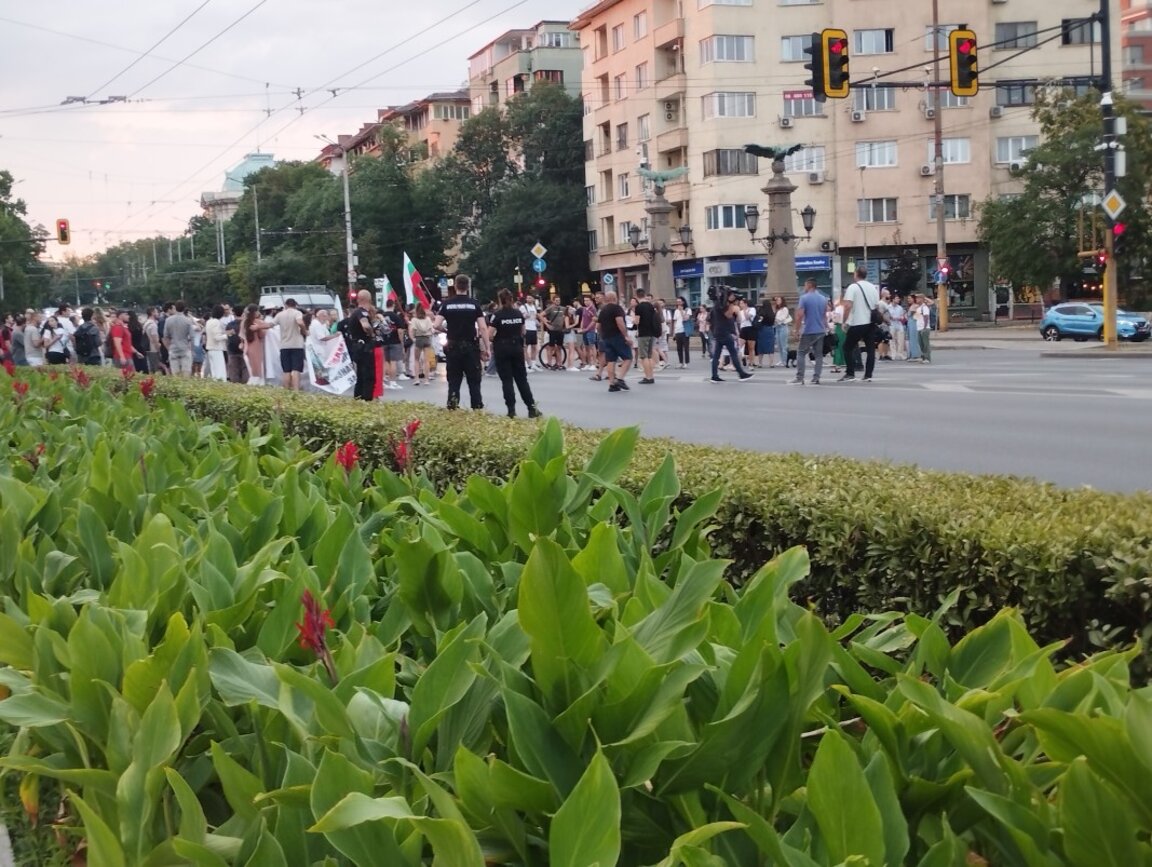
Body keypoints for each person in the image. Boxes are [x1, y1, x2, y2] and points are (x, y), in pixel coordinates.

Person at [488, 288, 540, 418]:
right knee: (522, 380)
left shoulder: (497, 314)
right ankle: (532, 409)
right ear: (511, 299)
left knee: (507, 381)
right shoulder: (518, 313)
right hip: (517, 348)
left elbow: (490, 334)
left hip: (502, 349)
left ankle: (511, 411)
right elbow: (523, 331)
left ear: (500, 300)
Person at [441, 274, 489, 410]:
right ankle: (477, 409)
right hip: (470, 347)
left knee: (454, 381)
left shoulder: (447, 304)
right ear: (467, 287)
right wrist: (487, 348)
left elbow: (436, 324)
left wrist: (446, 331)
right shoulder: (474, 304)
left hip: (453, 346)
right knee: (474, 381)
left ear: (455, 286)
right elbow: (483, 328)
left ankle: (453, 408)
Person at [839, 266, 881, 383]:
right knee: (870, 349)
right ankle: (868, 374)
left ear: (856, 274)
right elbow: (876, 306)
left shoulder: (853, 287)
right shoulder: (873, 287)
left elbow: (847, 306)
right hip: (871, 323)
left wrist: (844, 321)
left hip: (858, 322)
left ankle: (850, 373)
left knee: (847, 347)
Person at [790, 279, 829, 386]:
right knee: (818, 355)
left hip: (809, 330)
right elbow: (824, 316)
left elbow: (800, 315)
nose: (804, 287)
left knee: (801, 352)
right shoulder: (823, 299)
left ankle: (799, 377)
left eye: (805, 285)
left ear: (810, 285)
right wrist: (827, 328)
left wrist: (796, 330)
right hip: (820, 330)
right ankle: (816, 377)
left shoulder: (804, 298)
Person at [710, 289, 753, 383]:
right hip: (724, 332)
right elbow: (728, 315)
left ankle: (714, 376)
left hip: (721, 332)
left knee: (717, 355)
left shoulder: (721, 303)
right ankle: (741, 374)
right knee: (733, 353)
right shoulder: (721, 304)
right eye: (732, 295)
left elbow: (737, 320)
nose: (733, 297)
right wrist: (733, 306)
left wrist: (735, 310)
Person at [344, 290, 378, 401]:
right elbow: (365, 325)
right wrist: (372, 333)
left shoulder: (355, 312)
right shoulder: (361, 312)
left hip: (357, 346)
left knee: (361, 374)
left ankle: (358, 399)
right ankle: (367, 399)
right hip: (364, 347)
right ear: (368, 299)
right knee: (368, 375)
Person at [596, 290, 632, 392]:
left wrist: (602, 335)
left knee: (611, 360)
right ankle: (620, 379)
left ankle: (612, 384)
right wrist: (626, 336)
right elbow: (620, 322)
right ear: (614, 298)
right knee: (628, 357)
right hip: (617, 336)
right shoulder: (617, 308)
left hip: (606, 337)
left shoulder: (603, 310)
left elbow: (598, 326)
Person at [273, 299, 306, 390]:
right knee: (296, 370)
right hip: (297, 345)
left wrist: (258, 326)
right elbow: (299, 322)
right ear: (295, 305)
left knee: (286, 370)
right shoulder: (297, 313)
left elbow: (270, 324)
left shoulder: (280, 314)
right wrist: (304, 330)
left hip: (284, 346)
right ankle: (296, 390)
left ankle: (286, 391)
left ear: (285, 305)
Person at [634, 287, 660, 384]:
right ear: (644, 295)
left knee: (643, 356)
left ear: (636, 296)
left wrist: (633, 319)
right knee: (649, 356)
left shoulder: (639, 307)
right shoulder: (650, 306)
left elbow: (637, 321)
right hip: (651, 332)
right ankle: (651, 376)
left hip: (643, 333)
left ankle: (648, 377)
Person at [241, 304, 272, 384]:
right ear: (255, 312)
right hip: (256, 347)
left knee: (251, 369)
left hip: (246, 348)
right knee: (258, 370)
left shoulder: (243, 322)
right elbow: (263, 333)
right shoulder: (258, 322)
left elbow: (241, 335)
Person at [163, 301, 194, 375]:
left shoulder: (168, 320)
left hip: (173, 349)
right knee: (186, 374)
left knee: (175, 375)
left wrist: (168, 348)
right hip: (184, 348)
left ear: (175, 308)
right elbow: (192, 337)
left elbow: (165, 336)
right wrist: (192, 350)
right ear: (184, 308)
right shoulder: (188, 321)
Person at [409, 304, 436, 386]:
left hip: (418, 339)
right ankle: (426, 379)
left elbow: (411, 330)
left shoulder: (414, 320)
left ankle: (417, 379)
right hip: (427, 339)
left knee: (416, 360)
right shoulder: (428, 319)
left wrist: (413, 338)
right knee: (426, 360)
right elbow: (432, 330)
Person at [520, 294, 541, 370]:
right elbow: (521, 317)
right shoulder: (523, 307)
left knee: (534, 347)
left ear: (533, 299)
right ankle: (525, 364)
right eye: (527, 298)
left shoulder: (534, 307)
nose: (528, 299)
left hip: (533, 328)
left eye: (530, 298)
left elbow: (535, 316)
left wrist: (538, 323)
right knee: (525, 347)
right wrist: (525, 316)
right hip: (527, 328)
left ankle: (533, 363)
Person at [672, 296, 692, 368]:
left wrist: (681, 311)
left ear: (683, 302)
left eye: (680, 302)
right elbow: (675, 321)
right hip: (678, 331)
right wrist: (674, 332)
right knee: (679, 348)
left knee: (686, 347)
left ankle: (686, 362)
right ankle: (680, 362)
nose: (678, 303)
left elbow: (686, 319)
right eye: (677, 302)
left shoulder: (687, 309)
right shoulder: (676, 311)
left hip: (685, 331)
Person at [755, 297, 775, 367]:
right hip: (770, 329)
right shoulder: (772, 313)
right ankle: (771, 363)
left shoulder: (762, 312)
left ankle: (760, 363)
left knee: (761, 346)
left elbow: (759, 320)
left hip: (762, 329)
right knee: (770, 346)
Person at [773, 297, 793, 368]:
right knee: (779, 345)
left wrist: (776, 319)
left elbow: (783, 318)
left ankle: (785, 360)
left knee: (784, 345)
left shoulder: (785, 309)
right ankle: (781, 360)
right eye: (777, 300)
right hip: (777, 327)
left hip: (783, 327)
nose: (777, 301)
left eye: (778, 300)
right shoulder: (777, 309)